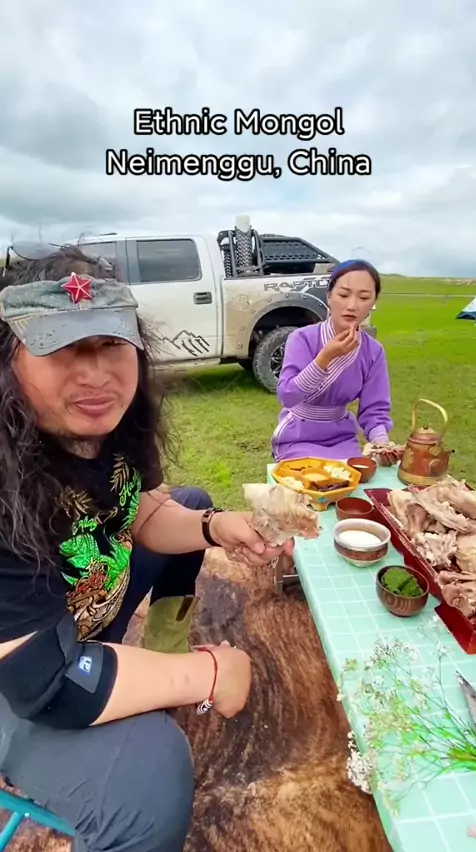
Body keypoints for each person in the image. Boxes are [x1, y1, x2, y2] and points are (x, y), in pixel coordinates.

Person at [0, 245, 294, 852]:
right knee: (149, 780)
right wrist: (208, 672)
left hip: (77, 622)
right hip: (20, 682)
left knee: (191, 499)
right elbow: (43, 681)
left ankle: (158, 652)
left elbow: (141, 510)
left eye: (111, 343)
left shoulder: (105, 427)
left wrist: (213, 526)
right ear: (10, 360)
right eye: (62, 348)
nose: (96, 375)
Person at [271, 259, 393, 462]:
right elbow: (288, 396)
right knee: (314, 478)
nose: (352, 306)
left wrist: (382, 444)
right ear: (329, 296)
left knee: (353, 478)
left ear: (374, 301)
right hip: (297, 436)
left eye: (364, 297)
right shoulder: (301, 339)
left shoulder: (373, 352)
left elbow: (374, 411)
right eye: (343, 295)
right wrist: (326, 356)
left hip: (342, 438)